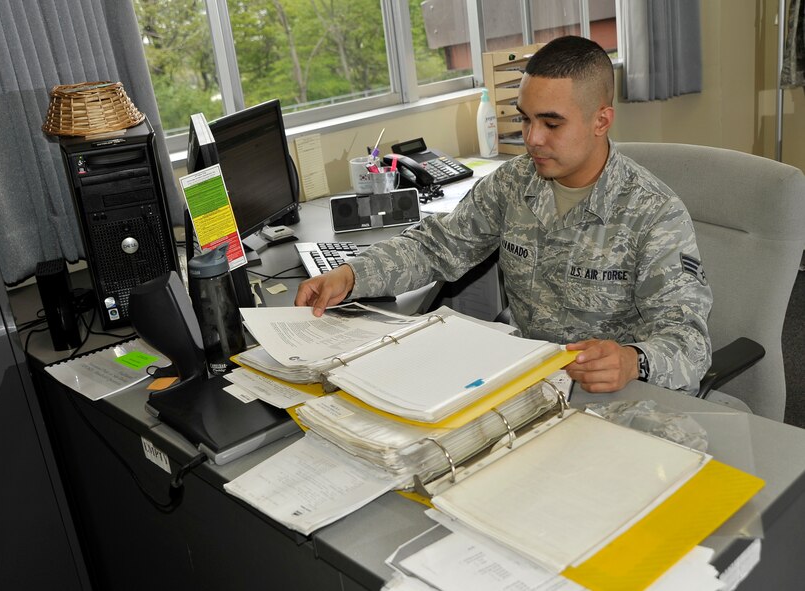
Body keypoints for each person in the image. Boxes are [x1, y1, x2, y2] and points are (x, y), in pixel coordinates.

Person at [295, 35, 712, 395]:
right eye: (526, 119)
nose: (532, 139)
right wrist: (351, 276)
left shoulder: (654, 214)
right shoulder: (513, 183)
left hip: (609, 394)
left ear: (601, 120)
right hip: (525, 379)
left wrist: (632, 360)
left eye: (551, 123)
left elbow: (689, 344)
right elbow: (437, 247)